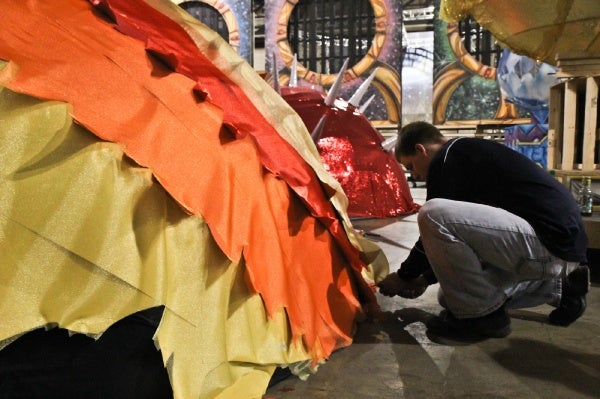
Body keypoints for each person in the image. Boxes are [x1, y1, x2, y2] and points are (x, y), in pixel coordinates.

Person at [377, 121, 590, 339]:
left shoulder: (447, 157)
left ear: (420, 150)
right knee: (454, 297)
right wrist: (424, 279)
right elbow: (466, 237)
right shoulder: (467, 153)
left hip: (547, 243)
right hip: (559, 249)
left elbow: (434, 228)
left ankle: (483, 320)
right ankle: (561, 288)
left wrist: (403, 276)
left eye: (411, 167)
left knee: (432, 213)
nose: (416, 176)